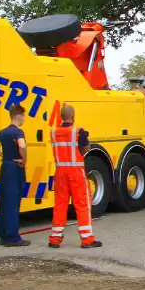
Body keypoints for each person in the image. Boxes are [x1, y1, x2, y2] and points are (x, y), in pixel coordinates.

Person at [47, 104, 102, 249]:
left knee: (60, 204)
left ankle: (55, 238)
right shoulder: (78, 131)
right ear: (73, 116)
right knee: (82, 204)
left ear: (61, 117)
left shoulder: (53, 132)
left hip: (60, 172)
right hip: (76, 171)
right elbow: (86, 148)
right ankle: (87, 239)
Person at [0, 105, 31, 247]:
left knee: (4, 202)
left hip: (5, 166)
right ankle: (13, 237)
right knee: (13, 202)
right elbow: (22, 146)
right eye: (23, 116)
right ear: (18, 116)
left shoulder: (4, 132)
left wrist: (2, 154)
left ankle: (4, 235)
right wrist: (24, 160)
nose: (24, 119)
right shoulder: (18, 132)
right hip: (15, 168)